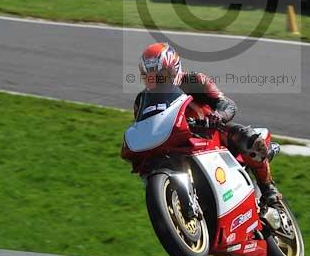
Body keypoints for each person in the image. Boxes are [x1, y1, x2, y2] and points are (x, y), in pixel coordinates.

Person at [121, 42, 282, 207]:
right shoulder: (142, 100)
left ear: (174, 68)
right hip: (174, 142)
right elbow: (143, 125)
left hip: (209, 134)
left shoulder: (194, 81)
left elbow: (228, 104)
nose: (155, 80)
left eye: (160, 74)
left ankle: (268, 189)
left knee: (249, 138)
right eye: (149, 76)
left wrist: (217, 116)